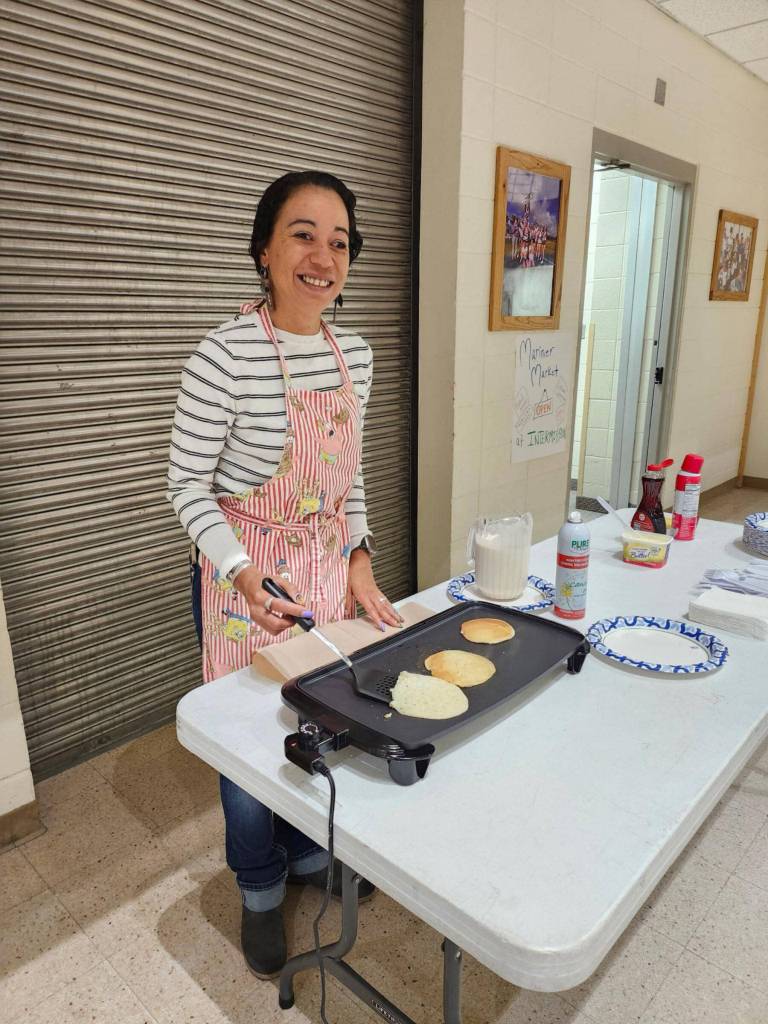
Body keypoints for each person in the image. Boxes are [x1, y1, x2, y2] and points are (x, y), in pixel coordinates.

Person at [167, 170, 402, 977]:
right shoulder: (222, 355)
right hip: (250, 575)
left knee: (320, 725)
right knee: (249, 747)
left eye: (339, 242)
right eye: (302, 234)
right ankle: (261, 888)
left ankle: (308, 853)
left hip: (326, 569)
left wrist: (361, 562)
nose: (322, 257)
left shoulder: (355, 355)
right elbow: (186, 486)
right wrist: (237, 572)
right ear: (264, 248)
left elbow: (351, 478)